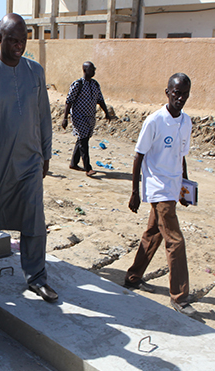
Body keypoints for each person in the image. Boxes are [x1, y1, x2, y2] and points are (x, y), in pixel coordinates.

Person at [0, 13, 57, 303]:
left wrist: (46, 153)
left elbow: (44, 115)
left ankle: (36, 276)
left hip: (29, 161)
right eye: (13, 40)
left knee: (34, 217)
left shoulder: (35, 72)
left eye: (23, 40)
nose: (19, 46)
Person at [124, 73, 195, 316]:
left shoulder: (186, 122)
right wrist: (135, 192)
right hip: (158, 188)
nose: (180, 98)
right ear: (167, 92)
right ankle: (180, 297)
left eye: (185, 94)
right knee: (175, 241)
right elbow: (138, 156)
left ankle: (133, 277)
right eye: (176, 93)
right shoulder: (154, 121)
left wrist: (185, 188)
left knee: (153, 234)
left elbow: (181, 156)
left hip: (174, 187)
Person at [61, 61, 112, 176]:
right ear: (85, 70)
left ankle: (74, 163)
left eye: (94, 69)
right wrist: (65, 118)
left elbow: (100, 100)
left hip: (90, 117)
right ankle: (88, 168)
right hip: (79, 118)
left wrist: (106, 113)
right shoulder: (78, 84)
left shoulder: (95, 84)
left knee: (82, 139)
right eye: (91, 69)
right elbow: (68, 102)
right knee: (83, 141)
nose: (94, 71)